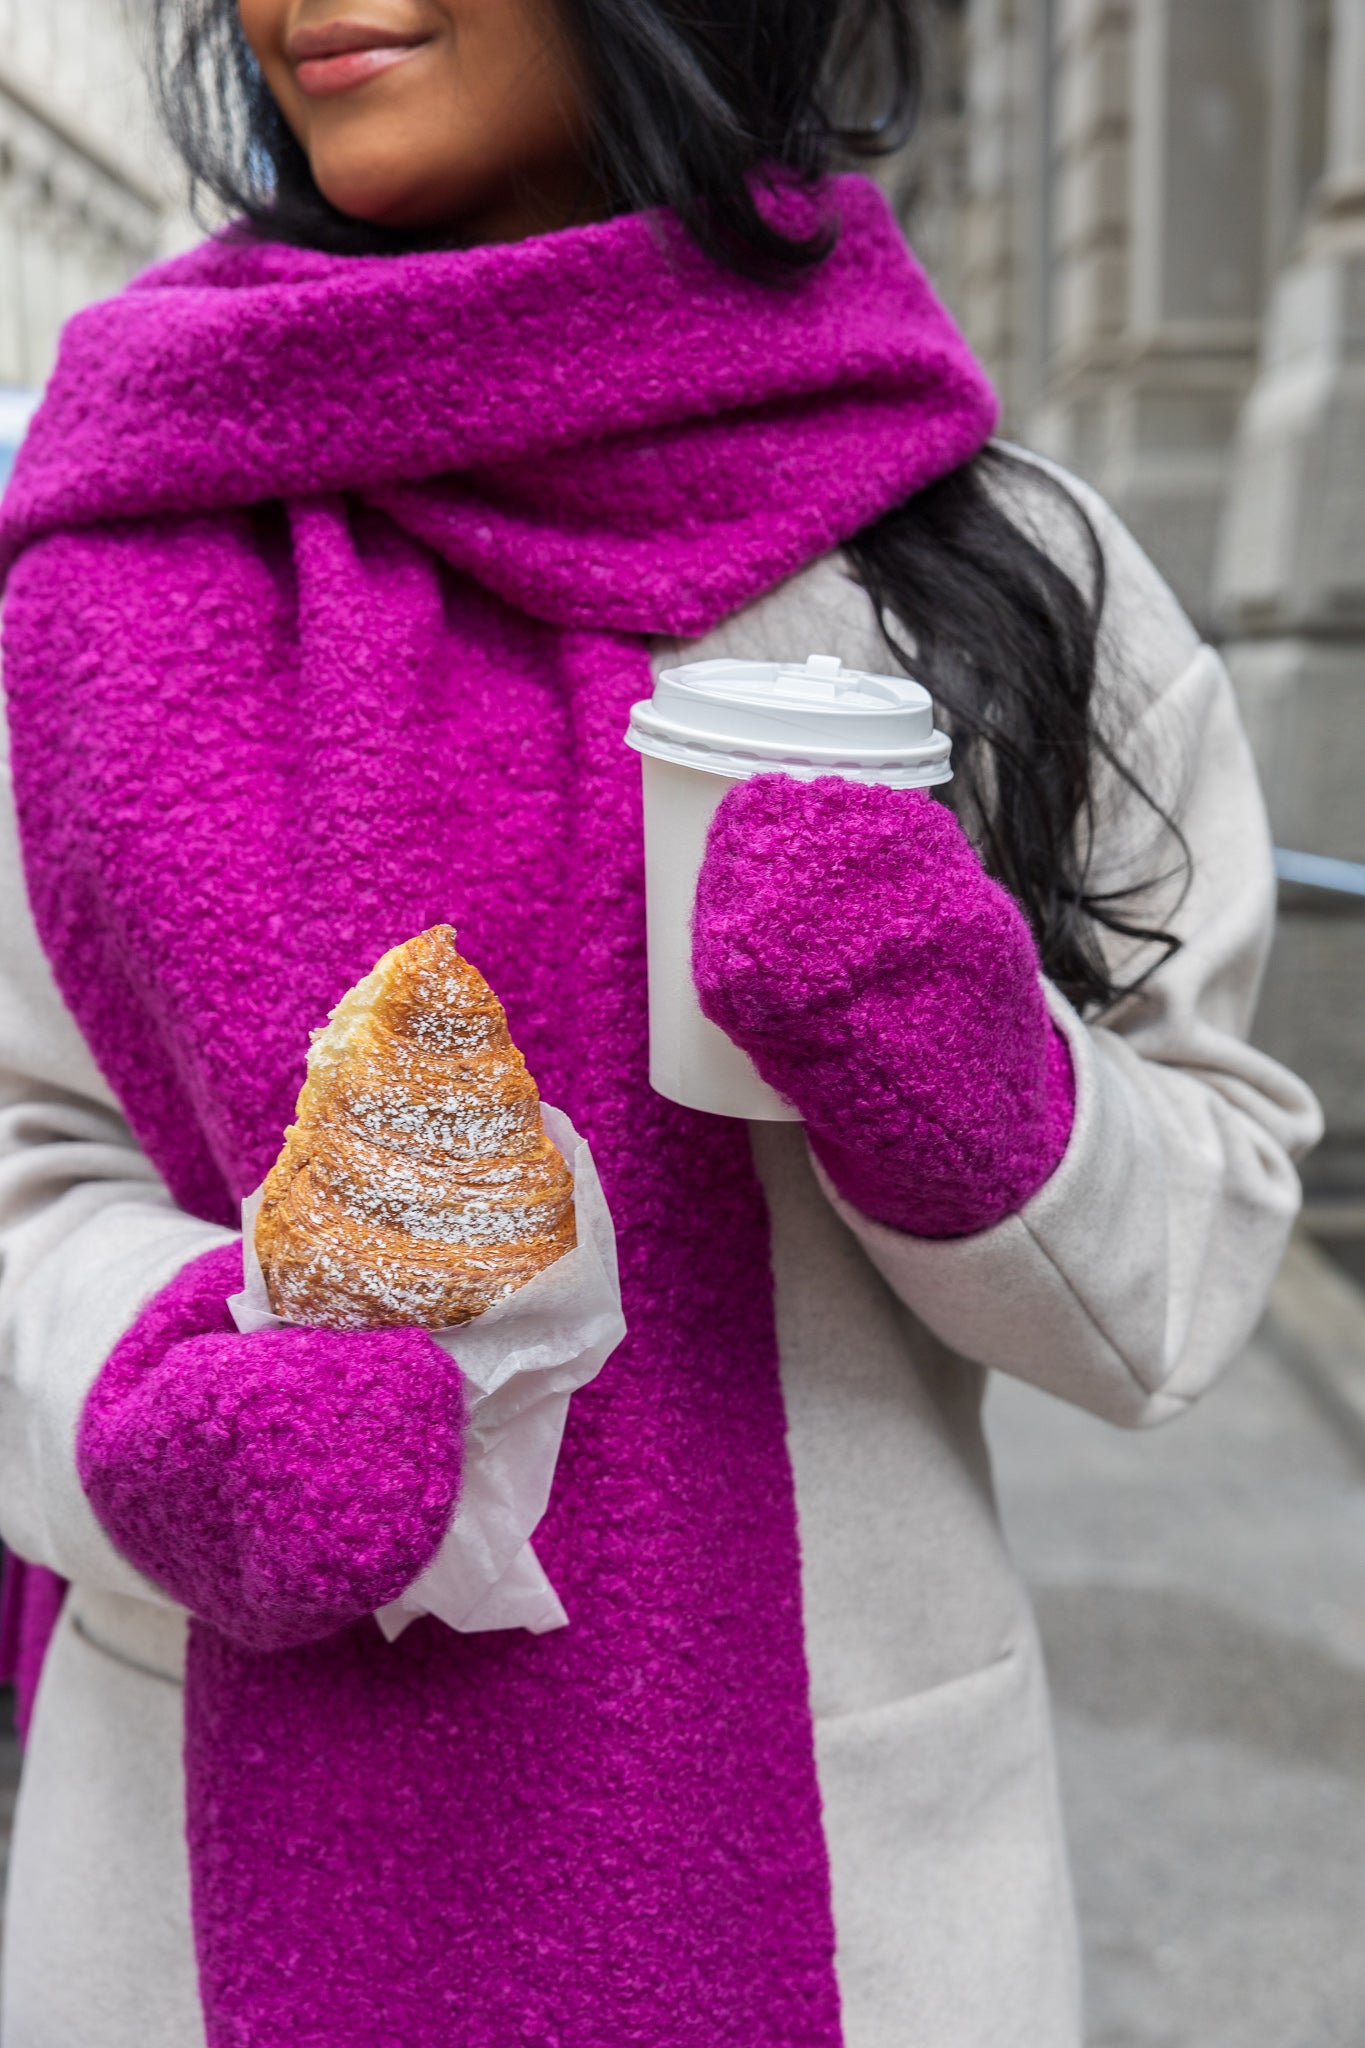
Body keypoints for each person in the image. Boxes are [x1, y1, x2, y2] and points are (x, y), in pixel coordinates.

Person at [0, 0, 1320, 2043]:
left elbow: (1196, 1251)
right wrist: (168, 1382)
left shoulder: (981, 564)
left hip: (836, 1895)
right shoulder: (104, 563)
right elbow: (27, 1165)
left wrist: (956, 1068)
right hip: (195, 1897)